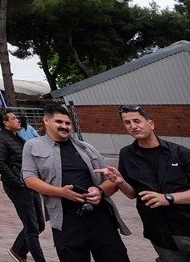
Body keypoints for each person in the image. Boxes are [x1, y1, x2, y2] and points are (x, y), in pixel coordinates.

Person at [96, 105, 190, 262]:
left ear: (151, 124)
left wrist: (168, 198)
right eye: (127, 122)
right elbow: (133, 194)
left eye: (137, 120)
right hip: (161, 235)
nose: (133, 126)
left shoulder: (180, 153)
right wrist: (121, 181)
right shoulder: (127, 154)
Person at [22, 104, 130, 262]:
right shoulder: (32, 146)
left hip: (99, 216)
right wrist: (61, 192)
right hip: (66, 219)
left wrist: (99, 191)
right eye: (59, 122)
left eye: (67, 123)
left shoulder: (87, 148)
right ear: (46, 121)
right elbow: (29, 179)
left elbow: (112, 181)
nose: (64, 126)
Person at [0, 108, 46, 262]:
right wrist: (18, 183)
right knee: (31, 227)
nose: (18, 120)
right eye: (14, 118)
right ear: (6, 123)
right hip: (18, 187)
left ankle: (18, 251)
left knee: (39, 225)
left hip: (30, 184)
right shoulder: (0, 139)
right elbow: (0, 164)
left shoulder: (18, 138)